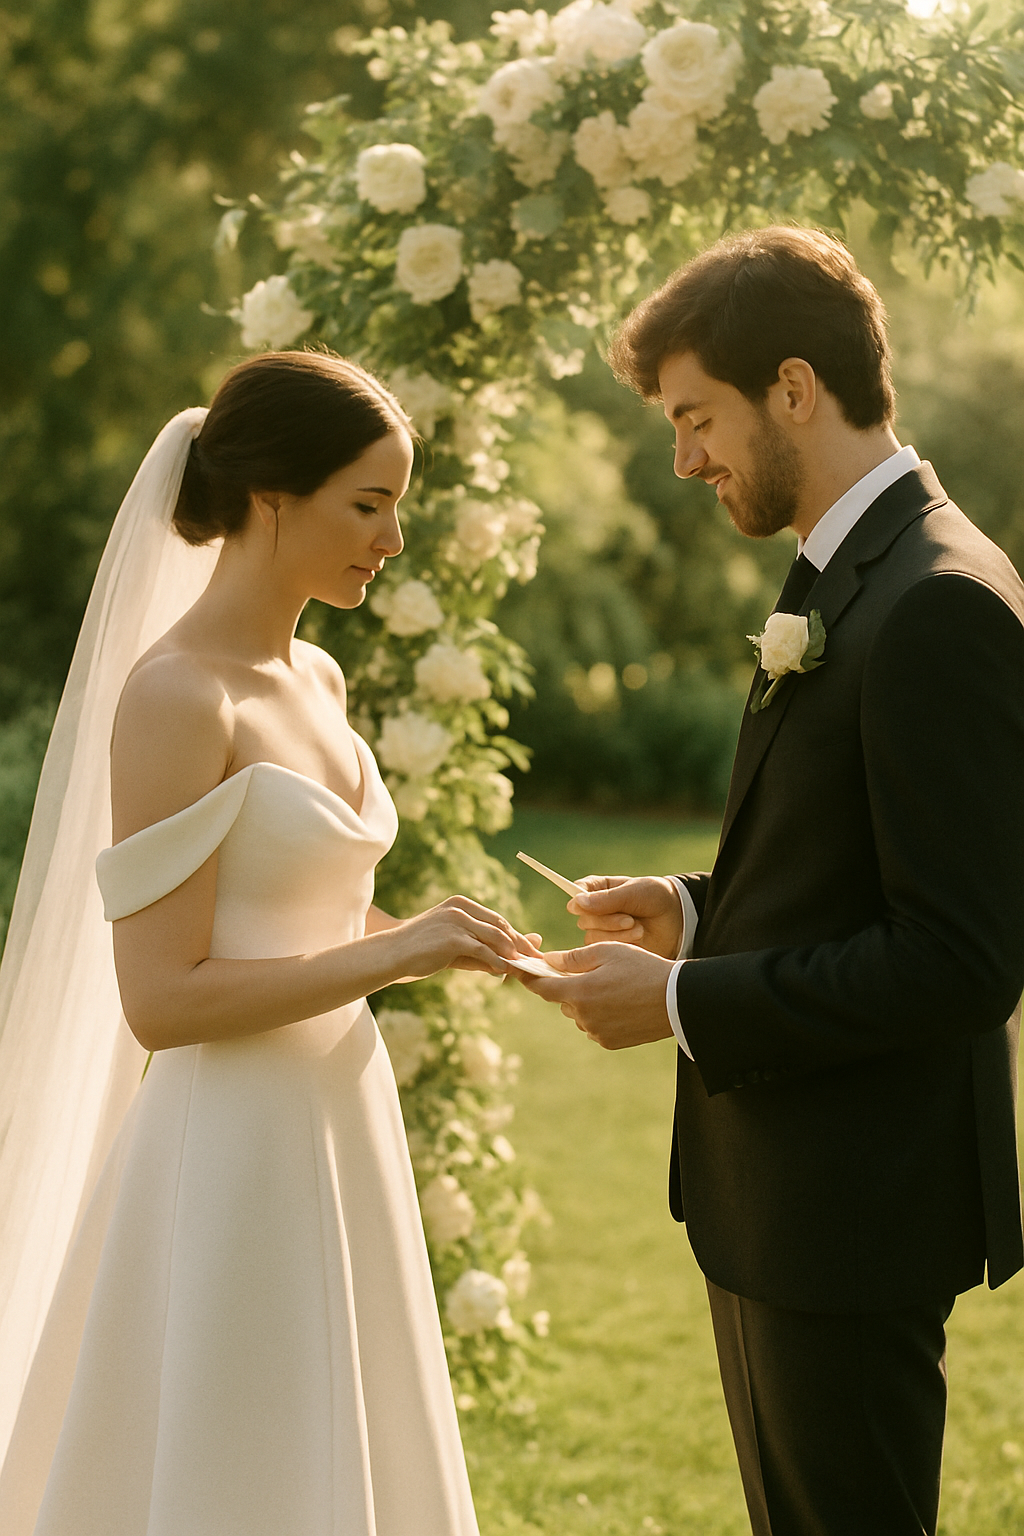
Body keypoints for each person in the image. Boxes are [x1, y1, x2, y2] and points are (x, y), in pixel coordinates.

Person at [519, 227, 1024, 1536]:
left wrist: (685, 999)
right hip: (786, 1201)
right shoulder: (847, 575)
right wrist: (693, 906)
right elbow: (850, 859)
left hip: (854, 1215)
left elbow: (963, 956)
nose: (683, 458)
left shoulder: (936, 600)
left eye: (698, 418)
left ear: (794, 389)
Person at [0, 350, 539, 1535]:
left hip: (339, 1116)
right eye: (370, 503)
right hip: (229, 1144)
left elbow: (313, 923)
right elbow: (163, 999)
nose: (392, 540)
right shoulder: (179, 697)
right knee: (237, 1458)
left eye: (399, 504)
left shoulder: (322, 677)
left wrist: (456, 940)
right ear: (269, 496)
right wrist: (397, 957)